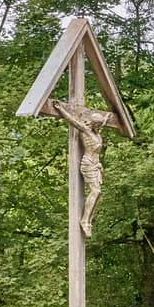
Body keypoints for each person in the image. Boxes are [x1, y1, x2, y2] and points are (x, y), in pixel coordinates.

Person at [49, 99, 118, 237]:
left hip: (96, 164)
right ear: (92, 123)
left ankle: (88, 220)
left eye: (99, 124)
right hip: (88, 163)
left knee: (98, 193)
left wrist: (107, 117)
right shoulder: (86, 130)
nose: (99, 126)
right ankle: (85, 220)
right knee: (96, 191)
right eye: (97, 124)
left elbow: (104, 122)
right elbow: (73, 121)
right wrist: (60, 109)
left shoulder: (97, 134)